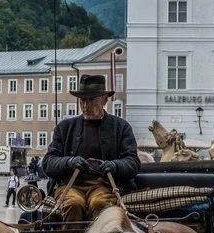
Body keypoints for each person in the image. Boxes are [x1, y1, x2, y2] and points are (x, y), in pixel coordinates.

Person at [42, 73, 140, 222]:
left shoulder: (121, 127)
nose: (85, 106)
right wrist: (69, 162)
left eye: (91, 100)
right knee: (73, 204)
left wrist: (114, 166)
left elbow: (133, 163)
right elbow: (48, 162)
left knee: (100, 204)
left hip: (105, 186)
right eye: (82, 100)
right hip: (70, 185)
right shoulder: (64, 128)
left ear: (104, 100)